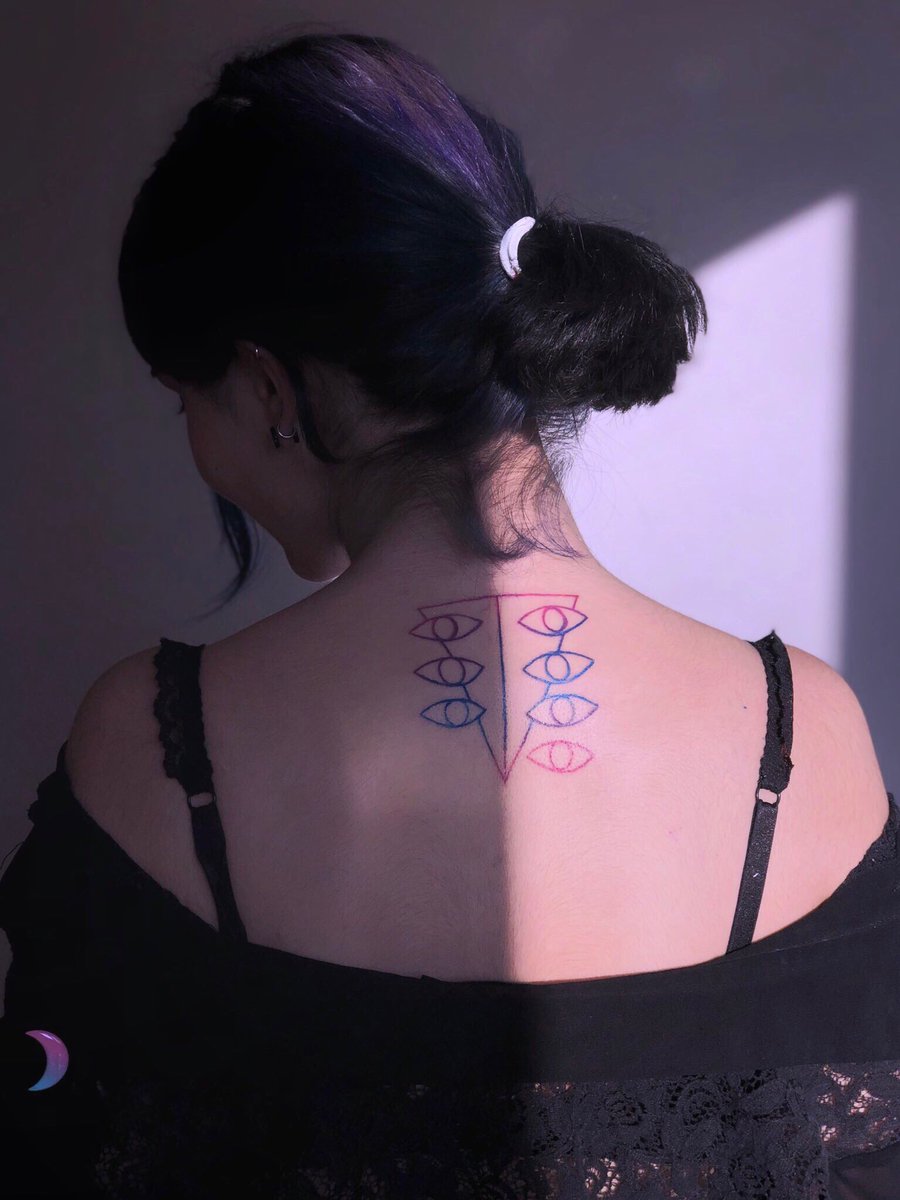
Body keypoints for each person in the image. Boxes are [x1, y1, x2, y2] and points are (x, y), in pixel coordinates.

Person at [2, 28, 899, 1200]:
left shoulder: (155, 750)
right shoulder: (810, 734)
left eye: (187, 400)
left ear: (268, 388)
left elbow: (50, 1139)